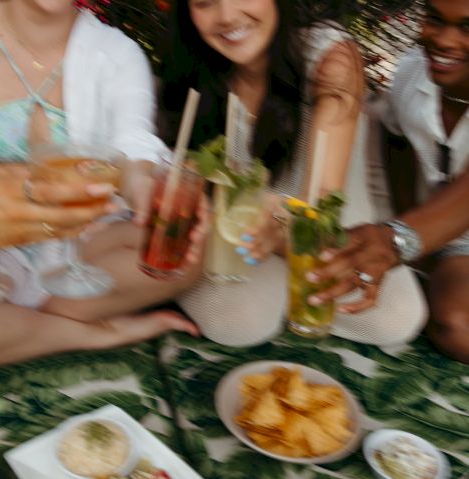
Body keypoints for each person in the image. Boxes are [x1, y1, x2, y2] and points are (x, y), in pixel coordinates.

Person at [157, 0, 427, 346]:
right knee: (237, 322)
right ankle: (277, 300)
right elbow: (195, 180)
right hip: (246, 233)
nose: (226, 16)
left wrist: (283, 226)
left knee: (395, 319)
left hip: (329, 225)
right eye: (204, 2)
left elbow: (322, 209)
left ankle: (284, 298)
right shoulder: (193, 61)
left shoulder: (329, 56)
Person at [0, 0, 207, 368]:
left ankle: (22, 326)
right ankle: (87, 332)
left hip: (78, 247)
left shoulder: (115, 52)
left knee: (184, 251)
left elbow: (133, 141)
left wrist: (145, 186)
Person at [309, 0, 469, 363]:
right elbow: (397, 140)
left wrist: (396, 240)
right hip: (433, 228)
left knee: (459, 328)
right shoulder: (414, 70)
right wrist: (407, 221)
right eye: (434, 19)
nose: (444, 40)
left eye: (467, 28)